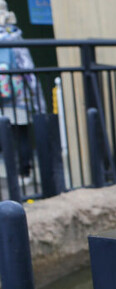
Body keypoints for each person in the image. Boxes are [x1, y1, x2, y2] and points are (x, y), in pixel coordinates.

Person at [0, 1, 45, 179]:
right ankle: (24, 173)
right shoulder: (15, 36)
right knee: (22, 135)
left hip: (2, 98)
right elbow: (27, 68)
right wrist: (36, 95)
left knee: (6, 134)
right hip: (18, 95)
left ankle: (11, 172)